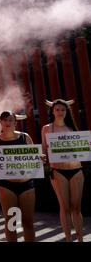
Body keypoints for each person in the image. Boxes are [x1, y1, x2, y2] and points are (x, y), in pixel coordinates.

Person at [0, 111, 40, 242]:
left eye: (10, 120)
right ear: (0, 122)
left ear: (16, 123)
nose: (8, 122)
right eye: (5, 120)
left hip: (27, 183)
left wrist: (39, 158)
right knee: (11, 221)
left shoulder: (25, 137)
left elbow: (34, 158)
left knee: (28, 221)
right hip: (6, 186)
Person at [41, 99, 84, 242]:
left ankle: (80, 238)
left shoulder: (72, 128)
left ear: (67, 112)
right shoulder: (47, 128)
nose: (60, 112)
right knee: (64, 207)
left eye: (63, 110)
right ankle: (68, 239)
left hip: (76, 169)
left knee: (76, 208)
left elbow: (80, 148)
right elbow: (44, 150)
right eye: (57, 109)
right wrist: (42, 158)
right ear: (52, 111)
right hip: (58, 171)